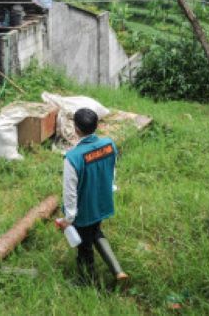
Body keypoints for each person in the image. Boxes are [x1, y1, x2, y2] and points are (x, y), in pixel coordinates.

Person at [57, 108, 128, 284]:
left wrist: (69, 218)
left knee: (84, 247)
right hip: (101, 202)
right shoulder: (109, 145)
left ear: (75, 128)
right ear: (96, 126)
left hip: (84, 210)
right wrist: (109, 189)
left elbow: (70, 192)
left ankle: (86, 281)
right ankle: (118, 271)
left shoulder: (72, 157)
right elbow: (112, 170)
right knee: (95, 231)